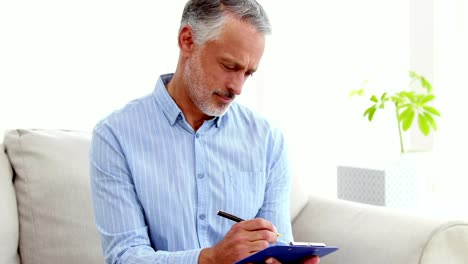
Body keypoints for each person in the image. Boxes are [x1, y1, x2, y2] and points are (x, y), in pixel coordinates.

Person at [89, 0, 320, 263]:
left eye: (248, 73)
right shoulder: (115, 136)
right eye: (229, 66)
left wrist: (285, 259)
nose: (238, 87)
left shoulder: (268, 140)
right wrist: (211, 259)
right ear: (187, 40)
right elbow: (124, 256)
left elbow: (275, 245)